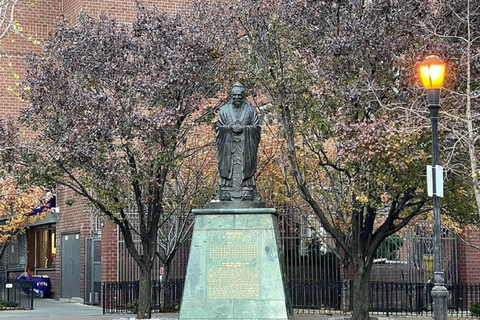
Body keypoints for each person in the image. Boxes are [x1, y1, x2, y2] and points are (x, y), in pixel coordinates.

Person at [216, 82, 261, 201]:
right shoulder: (224, 110)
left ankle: (247, 188)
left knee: (245, 169)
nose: (237, 98)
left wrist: (244, 129)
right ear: (231, 96)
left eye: (239, 96)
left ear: (243, 96)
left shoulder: (251, 110)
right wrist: (230, 129)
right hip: (228, 147)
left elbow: (256, 128)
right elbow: (219, 128)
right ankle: (226, 187)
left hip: (245, 148)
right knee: (228, 169)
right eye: (234, 95)